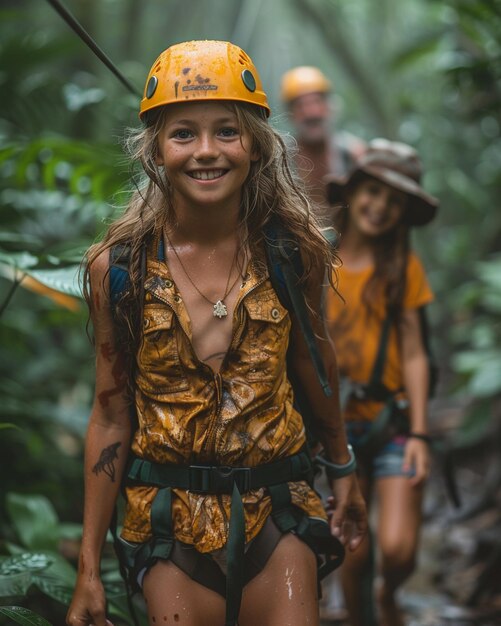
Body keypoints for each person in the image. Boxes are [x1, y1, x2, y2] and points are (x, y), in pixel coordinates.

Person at [66, 40, 368, 626]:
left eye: (226, 131)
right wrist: (86, 570)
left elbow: (314, 361)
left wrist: (343, 467)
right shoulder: (121, 268)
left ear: (255, 144)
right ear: (155, 148)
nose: (207, 151)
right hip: (168, 521)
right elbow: (110, 414)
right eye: (183, 134)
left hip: (278, 508)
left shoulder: (290, 252)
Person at [324, 139, 439, 626]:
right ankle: (359, 617)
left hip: (389, 421)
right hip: (334, 430)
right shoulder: (317, 261)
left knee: (396, 548)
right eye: (373, 192)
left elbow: (414, 352)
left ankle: (389, 592)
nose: (380, 207)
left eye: (394, 202)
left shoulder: (402, 270)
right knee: (352, 548)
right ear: (353, 193)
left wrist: (419, 433)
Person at [280, 65, 366, 226]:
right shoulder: (280, 161)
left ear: (329, 106)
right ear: (290, 113)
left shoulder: (354, 154)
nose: (311, 113)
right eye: (301, 106)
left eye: (316, 102)